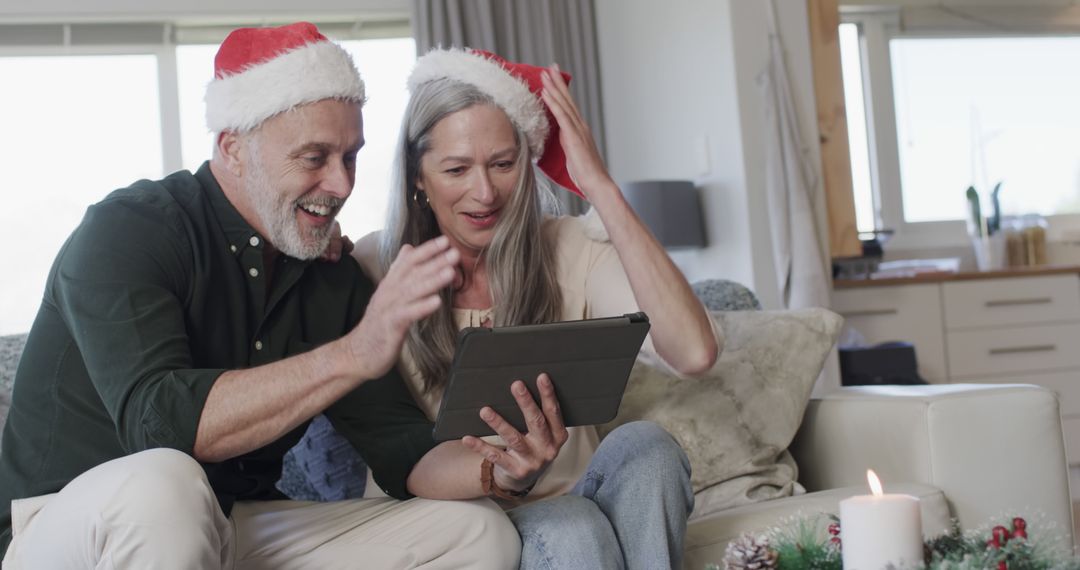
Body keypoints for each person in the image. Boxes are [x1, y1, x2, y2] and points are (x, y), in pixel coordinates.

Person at [0, 23, 520, 569]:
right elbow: (160, 424)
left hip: (230, 521)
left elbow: (400, 449)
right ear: (233, 148)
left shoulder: (328, 272)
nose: (342, 185)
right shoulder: (129, 229)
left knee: (478, 530)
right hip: (70, 532)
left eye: (350, 157)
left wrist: (497, 470)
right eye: (315, 157)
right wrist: (351, 354)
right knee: (165, 483)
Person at [350, 48, 723, 569]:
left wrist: (601, 188)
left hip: (572, 499)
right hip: (454, 518)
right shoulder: (369, 266)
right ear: (417, 175)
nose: (485, 193)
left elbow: (694, 351)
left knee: (648, 448)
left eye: (503, 164)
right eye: (457, 169)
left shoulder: (570, 247)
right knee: (570, 526)